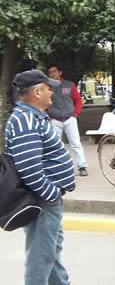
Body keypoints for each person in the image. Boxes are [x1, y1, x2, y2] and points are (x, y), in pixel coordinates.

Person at [5, 70, 76, 285]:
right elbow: (29, 168)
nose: (52, 93)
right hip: (42, 199)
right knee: (41, 256)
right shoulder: (26, 121)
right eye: (48, 88)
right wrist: (50, 195)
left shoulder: (33, 116)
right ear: (37, 92)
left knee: (50, 250)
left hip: (46, 197)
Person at [46, 64, 89, 177]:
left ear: (60, 72)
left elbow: (78, 100)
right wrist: (47, 115)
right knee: (56, 144)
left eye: (54, 71)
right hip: (54, 119)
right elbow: (43, 102)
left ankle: (82, 166)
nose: (52, 74)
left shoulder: (69, 85)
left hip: (70, 118)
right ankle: (58, 168)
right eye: (50, 72)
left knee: (76, 143)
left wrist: (75, 114)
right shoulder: (46, 86)